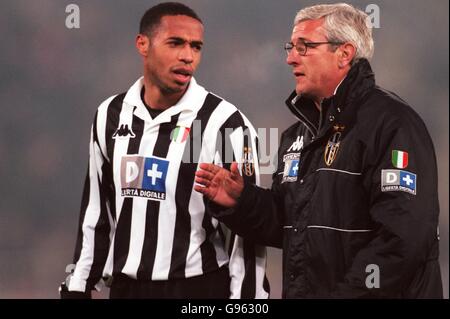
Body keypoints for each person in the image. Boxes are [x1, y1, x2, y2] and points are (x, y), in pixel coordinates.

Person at [195, 3, 443, 298]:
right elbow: (293, 228)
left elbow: (403, 239)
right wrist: (242, 202)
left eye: (304, 47)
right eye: (290, 47)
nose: (290, 59)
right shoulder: (296, 136)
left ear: (344, 54)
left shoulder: (392, 125)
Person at [59, 2, 269, 299]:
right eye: (175, 43)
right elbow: (96, 211)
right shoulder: (110, 115)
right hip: (126, 289)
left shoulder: (225, 123)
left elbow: (246, 234)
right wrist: (78, 286)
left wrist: (248, 301)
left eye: (196, 47)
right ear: (142, 44)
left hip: (198, 290)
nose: (188, 56)